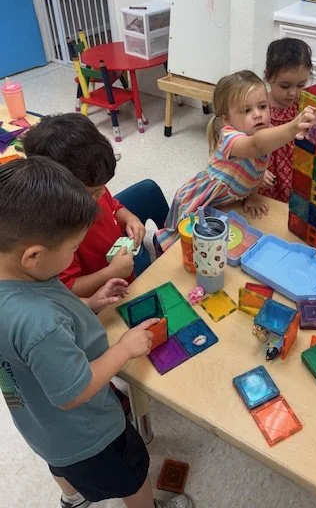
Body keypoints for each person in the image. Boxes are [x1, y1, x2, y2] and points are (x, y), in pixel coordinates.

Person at [0, 157, 192, 508]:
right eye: (73, 249)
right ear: (33, 256)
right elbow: (73, 393)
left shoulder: (17, 278)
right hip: (89, 434)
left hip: (37, 424)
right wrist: (123, 348)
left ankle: (73, 498)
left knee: (58, 463)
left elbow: (31, 333)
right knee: (131, 475)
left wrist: (87, 303)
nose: (76, 254)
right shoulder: (39, 324)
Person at [151, 70, 316, 253]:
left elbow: (259, 169)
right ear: (226, 119)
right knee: (180, 243)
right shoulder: (230, 137)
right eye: (247, 110)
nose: (258, 114)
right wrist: (293, 126)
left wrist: (252, 197)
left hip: (227, 202)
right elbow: (257, 146)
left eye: (262, 106)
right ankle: (157, 245)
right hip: (201, 199)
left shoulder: (266, 131)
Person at [23, 113, 146, 298]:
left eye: (102, 187)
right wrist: (112, 272)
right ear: (59, 191)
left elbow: (114, 206)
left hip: (125, 284)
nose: (102, 193)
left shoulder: (91, 185)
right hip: (101, 303)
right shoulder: (56, 235)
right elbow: (70, 289)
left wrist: (129, 218)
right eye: (94, 193)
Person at [258, 38, 313, 203]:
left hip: (296, 178)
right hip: (263, 180)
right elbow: (241, 142)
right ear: (268, 77)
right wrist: (255, 170)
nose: (293, 93)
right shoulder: (258, 107)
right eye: (285, 86)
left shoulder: (305, 106)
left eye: (301, 85)